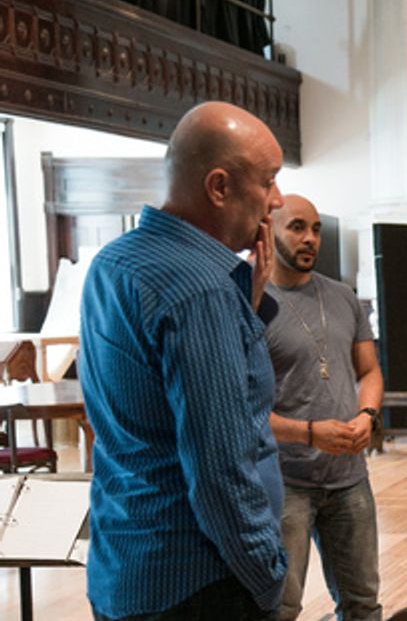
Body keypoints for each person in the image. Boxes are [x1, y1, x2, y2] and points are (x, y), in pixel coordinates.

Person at [79, 101, 288, 619]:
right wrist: (267, 576)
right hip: (198, 580)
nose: (277, 201)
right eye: (269, 181)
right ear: (218, 188)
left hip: (127, 562)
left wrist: (248, 306)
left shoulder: (114, 261)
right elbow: (219, 466)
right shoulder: (199, 289)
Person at [265, 194, 384, 620]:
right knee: (281, 608)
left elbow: (369, 372)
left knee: (363, 606)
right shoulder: (248, 303)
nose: (310, 238)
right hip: (285, 482)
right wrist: (311, 433)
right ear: (269, 230)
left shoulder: (342, 296)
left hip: (349, 479)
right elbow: (242, 411)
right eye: (296, 227)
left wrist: (366, 416)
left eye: (315, 229)